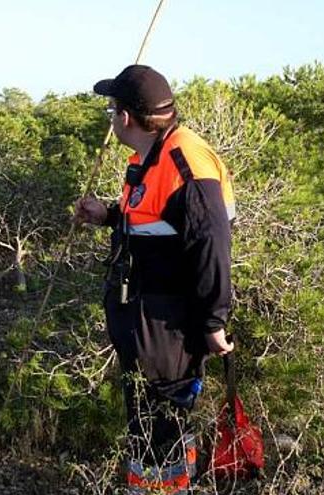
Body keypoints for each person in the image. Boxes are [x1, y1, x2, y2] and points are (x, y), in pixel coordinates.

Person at [74, 65, 236, 493]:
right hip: (144, 315)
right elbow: (154, 225)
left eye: (112, 109)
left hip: (168, 325)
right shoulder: (150, 156)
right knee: (149, 422)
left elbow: (211, 243)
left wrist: (213, 323)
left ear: (125, 117)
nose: (111, 117)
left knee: (161, 422)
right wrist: (109, 216)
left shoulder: (185, 159)